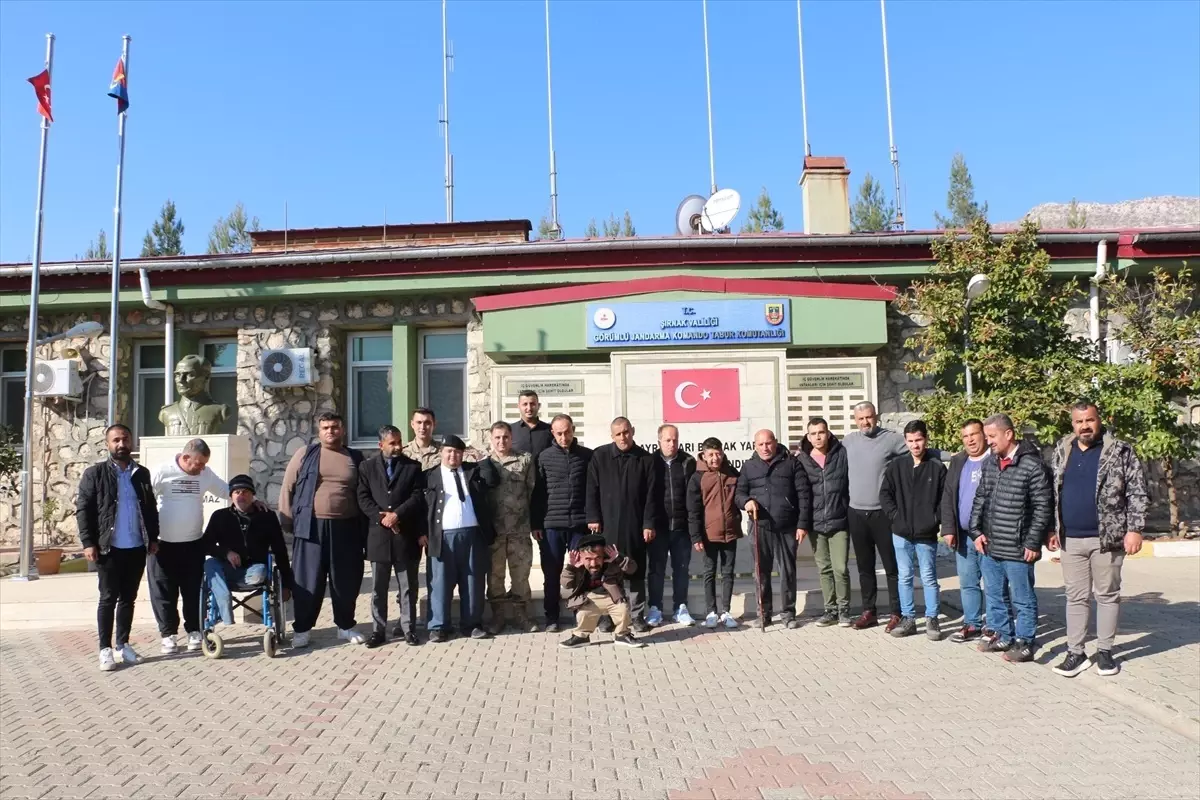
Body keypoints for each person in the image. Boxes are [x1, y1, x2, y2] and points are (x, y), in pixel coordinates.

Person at [1049, 400, 1148, 678]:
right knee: (1075, 598)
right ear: (1073, 424)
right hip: (1070, 539)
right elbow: (1052, 491)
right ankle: (1076, 653)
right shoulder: (1062, 449)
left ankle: (1105, 652)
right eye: (1079, 421)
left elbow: (1137, 491)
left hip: (1107, 538)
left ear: (1099, 420)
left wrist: (1135, 529)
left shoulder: (1120, 450)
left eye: (1089, 420)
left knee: (1107, 596)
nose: (1085, 426)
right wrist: (1051, 529)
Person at [968, 413, 1053, 663]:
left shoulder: (1032, 465)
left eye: (992, 436)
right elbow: (980, 499)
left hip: (1018, 547)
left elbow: (1042, 507)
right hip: (991, 545)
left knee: (1022, 598)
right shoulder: (990, 463)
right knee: (995, 594)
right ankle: (1003, 635)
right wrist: (976, 531)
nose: (989, 441)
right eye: (987, 437)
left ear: (1008, 434)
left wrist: (1032, 541)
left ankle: (1025, 642)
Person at [279, 412, 367, 648]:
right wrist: (286, 519)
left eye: (335, 427)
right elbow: (288, 486)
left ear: (343, 430)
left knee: (345, 580)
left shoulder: (355, 457)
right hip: (311, 526)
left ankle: (345, 626)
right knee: (308, 580)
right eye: (326, 427)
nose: (330, 431)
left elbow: (365, 492)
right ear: (319, 432)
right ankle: (302, 630)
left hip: (347, 527)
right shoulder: (305, 454)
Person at [76, 424, 160, 672]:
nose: (121, 444)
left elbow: (150, 508)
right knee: (108, 598)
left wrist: (153, 538)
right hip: (108, 548)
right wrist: (88, 542)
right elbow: (84, 510)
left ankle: (123, 645)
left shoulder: (141, 474)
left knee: (128, 599)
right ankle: (105, 649)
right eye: (116, 440)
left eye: (125, 439)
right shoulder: (95, 474)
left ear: (131, 442)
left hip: (136, 547)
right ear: (108, 444)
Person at [149, 438, 229, 654]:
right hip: (162, 545)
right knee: (163, 592)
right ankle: (168, 635)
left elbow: (226, 491)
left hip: (193, 544)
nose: (202, 468)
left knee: (193, 591)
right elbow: (144, 501)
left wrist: (250, 498)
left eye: (204, 464)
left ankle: (194, 630)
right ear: (185, 458)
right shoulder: (162, 472)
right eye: (199, 463)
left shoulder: (206, 474)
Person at [423, 434, 500, 642]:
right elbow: (422, 507)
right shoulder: (430, 475)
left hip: (473, 535)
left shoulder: (472, 471)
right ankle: (439, 626)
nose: (453, 456)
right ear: (441, 452)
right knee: (440, 583)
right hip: (442, 537)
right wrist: (422, 533)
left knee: (473, 581)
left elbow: (493, 480)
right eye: (449, 451)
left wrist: (482, 459)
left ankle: (472, 624)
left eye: (458, 452)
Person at [585, 417, 658, 637]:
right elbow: (591, 489)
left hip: (635, 526)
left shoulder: (645, 459)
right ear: (612, 436)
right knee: (606, 571)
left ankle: (636, 617)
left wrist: (648, 523)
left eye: (626, 432)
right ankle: (607, 616)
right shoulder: (600, 456)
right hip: (606, 526)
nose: (623, 437)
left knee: (635, 570)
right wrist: (593, 517)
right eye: (618, 434)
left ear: (632, 431)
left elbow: (652, 496)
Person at [841, 401, 909, 632]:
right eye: (860, 418)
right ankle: (869, 611)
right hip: (856, 513)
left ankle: (897, 612)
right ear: (855, 420)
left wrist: (952, 455)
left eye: (868, 417)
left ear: (876, 417)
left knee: (891, 566)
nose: (865, 422)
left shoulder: (891, 439)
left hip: (883, 514)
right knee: (865, 567)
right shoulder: (848, 441)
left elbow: (918, 449)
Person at [734, 429, 811, 629]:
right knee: (761, 572)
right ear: (755, 445)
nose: (765, 448)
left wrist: (802, 524)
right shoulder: (749, 467)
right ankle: (764, 614)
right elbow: (739, 494)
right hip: (759, 526)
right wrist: (746, 502)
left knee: (787, 572)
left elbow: (804, 495)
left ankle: (788, 614)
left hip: (786, 527)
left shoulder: (791, 463)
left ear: (775, 442)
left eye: (768, 443)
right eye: (760, 444)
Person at [356, 425, 426, 649]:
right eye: (392, 443)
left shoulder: (412, 467)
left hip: (405, 537)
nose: (397, 447)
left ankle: (408, 629)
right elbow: (362, 497)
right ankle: (378, 631)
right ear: (381, 445)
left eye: (399, 442)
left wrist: (397, 515)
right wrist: (381, 518)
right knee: (378, 589)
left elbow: (417, 497)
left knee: (408, 587)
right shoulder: (367, 467)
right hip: (379, 538)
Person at [880, 420, 947, 640]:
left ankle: (932, 618)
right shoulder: (897, 466)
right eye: (910, 441)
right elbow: (885, 494)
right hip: (901, 532)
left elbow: (944, 499)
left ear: (926, 439)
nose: (915, 445)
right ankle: (908, 618)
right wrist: (895, 516)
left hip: (926, 533)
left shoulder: (936, 467)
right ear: (905, 441)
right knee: (905, 576)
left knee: (928, 576)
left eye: (918, 440)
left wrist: (934, 519)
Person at [201, 474, 294, 629]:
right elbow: (205, 545)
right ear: (231, 496)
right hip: (227, 570)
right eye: (237, 492)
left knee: (261, 570)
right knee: (210, 564)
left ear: (252, 495)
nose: (241, 496)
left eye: (245, 492)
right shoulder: (220, 516)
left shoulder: (267, 517)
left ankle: (223, 594)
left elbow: (280, 550)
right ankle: (225, 603)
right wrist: (226, 553)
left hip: (254, 571)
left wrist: (286, 584)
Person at [530, 414, 593, 632]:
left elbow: (592, 490)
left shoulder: (586, 456)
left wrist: (592, 519)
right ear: (552, 433)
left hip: (579, 525)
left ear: (573, 430)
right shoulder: (543, 457)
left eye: (567, 432)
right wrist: (536, 524)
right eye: (559, 433)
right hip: (551, 526)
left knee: (581, 571)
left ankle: (580, 613)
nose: (564, 437)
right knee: (551, 573)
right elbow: (537, 494)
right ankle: (552, 617)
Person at [796, 417, 852, 628]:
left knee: (840, 568)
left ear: (828, 433)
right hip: (815, 523)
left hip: (840, 521)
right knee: (824, 568)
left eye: (821, 432)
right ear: (808, 436)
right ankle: (830, 610)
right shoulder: (802, 460)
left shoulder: (842, 454)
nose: (818, 437)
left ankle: (844, 610)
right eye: (813, 433)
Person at [940, 418, 992, 643]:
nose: (970, 440)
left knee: (993, 584)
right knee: (968, 582)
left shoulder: (994, 458)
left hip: (988, 536)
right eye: (965, 436)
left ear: (984, 435)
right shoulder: (958, 461)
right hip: (962, 535)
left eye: (974, 434)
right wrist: (948, 528)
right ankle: (972, 624)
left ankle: (994, 626)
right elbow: (948, 496)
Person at [484, 421, 538, 634]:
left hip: (519, 530)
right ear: (491, 439)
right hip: (495, 532)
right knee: (495, 576)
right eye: (497, 437)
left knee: (521, 575)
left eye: (505, 437)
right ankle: (498, 617)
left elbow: (532, 491)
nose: (501, 441)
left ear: (511, 437)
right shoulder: (484, 463)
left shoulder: (525, 460)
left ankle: (521, 616)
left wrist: (531, 522)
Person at [686, 438, 742, 629]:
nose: (715, 458)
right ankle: (711, 612)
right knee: (709, 572)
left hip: (730, 532)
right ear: (703, 455)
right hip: (708, 535)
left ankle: (726, 612)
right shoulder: (697, 478)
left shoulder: (732, 473)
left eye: (718, 453)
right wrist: (696, 536)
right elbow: (693, 510)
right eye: (710, 454)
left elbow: (742, 494)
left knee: (728, 573)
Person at [558, 534, 645, 649]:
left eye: (597, 558)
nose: (593, 564)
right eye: (588, 559)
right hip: (590, 598)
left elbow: (632, 569)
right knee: (583, 614)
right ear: (581, 556)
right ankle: (581, 637)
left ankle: (622, 635)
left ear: (603, 554)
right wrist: (571, 567)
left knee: (623, 610)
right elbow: (566, 584)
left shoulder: (614, 559)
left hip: (612, 596)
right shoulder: (576, 565)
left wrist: (618, 558)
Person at [648, 424, 697, 627]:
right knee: (656, 569)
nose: (672, 444)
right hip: (658, 527)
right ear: (659, 441)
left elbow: (693, 496)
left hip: (681, 527)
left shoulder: (688, 462)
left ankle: (680, 608)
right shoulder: (650, 462)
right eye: (668, 440)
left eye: (675, 440)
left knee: (681, 569)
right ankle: (655, 608)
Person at [510, 390, 553, 460]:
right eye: (525, 404)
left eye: (532, 404)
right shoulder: (510, 430)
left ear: (538, 406)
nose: (529, 408)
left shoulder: (550, 430)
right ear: (518, 406)